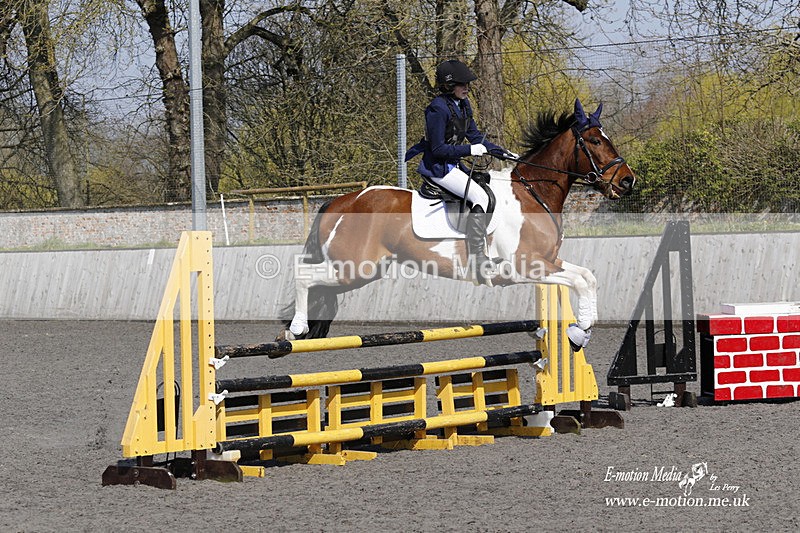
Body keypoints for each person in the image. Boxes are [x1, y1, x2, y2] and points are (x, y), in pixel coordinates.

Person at [405, 59, 513, 285]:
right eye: (462, 84)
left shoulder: (463, 104)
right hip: (438, 168)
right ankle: (478, 259)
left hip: (454, 165)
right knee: (480, 196)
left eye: (467, 84)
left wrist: (502, 152)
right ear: (448, 85)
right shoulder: (437, 108)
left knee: (488, 189)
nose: (467, 87)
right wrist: (469, 150)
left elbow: (476, 136)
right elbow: (437, 148)